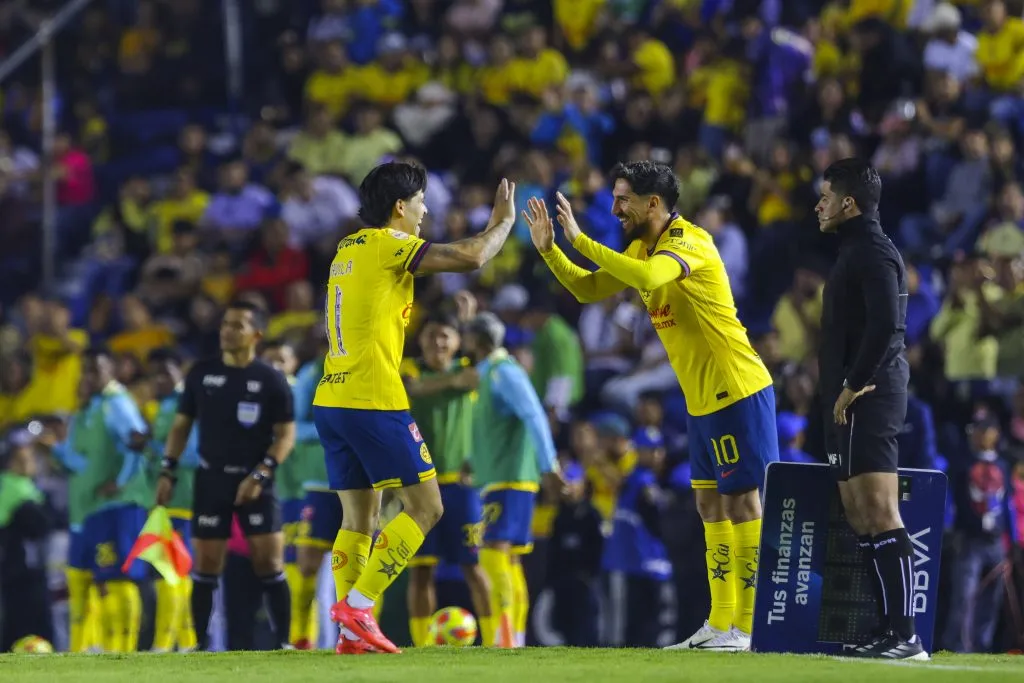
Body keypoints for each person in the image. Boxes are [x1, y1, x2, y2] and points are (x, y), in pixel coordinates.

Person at [524, 161, 778, 651]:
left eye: (624, 200)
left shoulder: (690, 241)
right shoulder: (642, 245)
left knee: (742, 502)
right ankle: (720, 623)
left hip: (738, 389)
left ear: (653, 204)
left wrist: (578, 238)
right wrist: (552, 251)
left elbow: (644, 275)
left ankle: (746, 627)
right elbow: (588, 288)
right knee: (708, 504)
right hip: (700, 398)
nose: (616, 209)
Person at [312, 161, 517, 655]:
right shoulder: (387, 243)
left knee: (358, 519)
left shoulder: (348, 248)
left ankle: (349, 633)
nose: (425, 212)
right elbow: (471, 258)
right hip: (373, 398)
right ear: (400, 207)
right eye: (422, 203)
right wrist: (503, 223)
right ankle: (359, 607)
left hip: (332, 398)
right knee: (428, 507)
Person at [815, 157, 927, 660]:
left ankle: (906, 636)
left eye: (826, 196)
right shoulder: (852, 251)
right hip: (843, 397)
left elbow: (885, 325)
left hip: (869, 393)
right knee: (859, 514)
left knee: (881, 509)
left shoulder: (875, 252)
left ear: (849, 202)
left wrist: (852, 384)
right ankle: (887, 631)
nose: (819, 205)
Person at [156, 300, 296, 651]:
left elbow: (286, 436)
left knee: (269, 561)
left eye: (237, 325)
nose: (227, 331)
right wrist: (167, 470)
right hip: (211, 480)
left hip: (256, 482)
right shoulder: (201, 373)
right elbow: (180, 427)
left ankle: (283, 642)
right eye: (225, 324)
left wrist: (261, 475)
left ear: (256, 335)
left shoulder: (271, 380)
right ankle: (200, 644)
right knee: (206, 563)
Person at [461, 312, 563, 648]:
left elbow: (534, 414)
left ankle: (505, 639)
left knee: (493, 552)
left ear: (476, 340)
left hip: (511, 478)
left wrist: (549, 465)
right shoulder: (486, 374)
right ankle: (512, 638)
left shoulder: (505, 373)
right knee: (510, 558)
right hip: (498, 477)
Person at [40, 347, 151, 653]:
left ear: (111, 370)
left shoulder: (117, 403)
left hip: (121, 504)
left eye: (96, 370)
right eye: (86, 371)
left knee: (118, 577)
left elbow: (137, 439)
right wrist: (59, 451)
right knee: (98, 578)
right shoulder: (92, 409)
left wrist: (122, 479)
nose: (90, 377)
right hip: (92, 509)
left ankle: (125, 651)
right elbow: (83, 464)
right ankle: (92, 649)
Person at [400, 313, 493, 648]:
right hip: (419, 488)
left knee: (473, 564)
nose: (438, 342)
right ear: (420, 339)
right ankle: (422, 645)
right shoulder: (409, 369)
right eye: (432, 335)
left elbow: (472, 378)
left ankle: (497, 641)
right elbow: (412, 386)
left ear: (458, 341)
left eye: (446, 336)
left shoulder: (469, 370)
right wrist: (439, 383)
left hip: (461, 485)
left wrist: (431, 387)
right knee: (421, 570)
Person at [258, 340, 319, 649]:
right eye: (269, 360)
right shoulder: (262, 396)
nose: (276, 367)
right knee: (289, 568)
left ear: (294, 363)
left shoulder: (296, 393)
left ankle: (303, 637)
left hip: (306, 490)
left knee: (303, 567)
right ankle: (296, 637)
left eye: (281, 360)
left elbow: (296, 432)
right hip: (282, 492)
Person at [146, 347, 199, 652]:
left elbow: (191, 454)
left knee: (173, 569)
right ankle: (186, 641)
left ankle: (167, 642)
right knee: (171, 569)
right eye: (156, 375)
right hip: (166, 500)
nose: (160, 380)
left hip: (184, 497)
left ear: (181, 372)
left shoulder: (185, 404)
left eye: (166, 373)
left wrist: (154, 447)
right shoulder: (164, 406)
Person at [602, 426, 672, 648]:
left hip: (639, 561)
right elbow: (658, 521)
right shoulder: (640, 481)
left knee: (641, 626)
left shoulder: (638, 480)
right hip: (633, 561)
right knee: (631, 628)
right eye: (648, 450)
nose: (655, 455)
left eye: (657, 450)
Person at [0, 429, 54, 651]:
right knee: (23, 621)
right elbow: (41, 524)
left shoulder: (25, 485)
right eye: (25, 457)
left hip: (23, 567)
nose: (31, 461)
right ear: (12, 461)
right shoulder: (12, 485)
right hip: (17, 568)